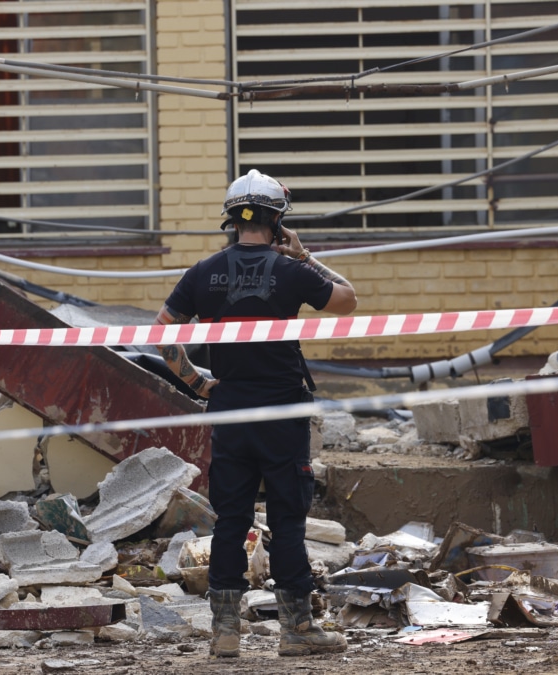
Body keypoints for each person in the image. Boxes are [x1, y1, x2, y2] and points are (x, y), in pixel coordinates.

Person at [154, 170, 357, 658]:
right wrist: (303, 253)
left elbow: (163, 334)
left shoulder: (203, 273)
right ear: (277, 220)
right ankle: (297, 630)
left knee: (230, 520)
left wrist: (198, 382)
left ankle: (225, 633)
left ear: (231, 221)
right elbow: (348, 300)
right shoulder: (292, 270)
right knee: (287, 521)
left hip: (229, 411)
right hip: (282, 414)